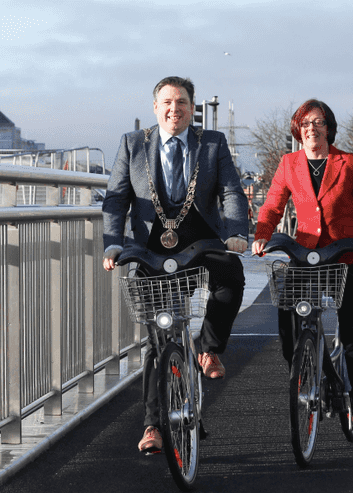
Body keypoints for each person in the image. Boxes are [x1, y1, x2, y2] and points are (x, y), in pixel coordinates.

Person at [102, 76, 249, 453]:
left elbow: (231, 190)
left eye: (181, 102)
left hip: (201, 243)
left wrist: (235, 232)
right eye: (166, 102)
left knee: (231, 277)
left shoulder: (212, 143)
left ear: (192, 108)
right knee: (157, 339)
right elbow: (116, 198)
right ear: (155, 107)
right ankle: (152, 426)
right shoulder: (133, 144)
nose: (174, 109)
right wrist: (114, 244)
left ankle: (209, 349)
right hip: (152, 249)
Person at [252, 99, 353, 431]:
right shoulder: (289, 164)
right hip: (306, 255)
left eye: (319, 122)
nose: (312, 128)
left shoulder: (350, 163)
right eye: (305, 123)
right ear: (298, 130)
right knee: (289, 327)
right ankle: (320, 377)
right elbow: (272, 205)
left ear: (329, 128)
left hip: (350, 255)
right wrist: (262, 235)